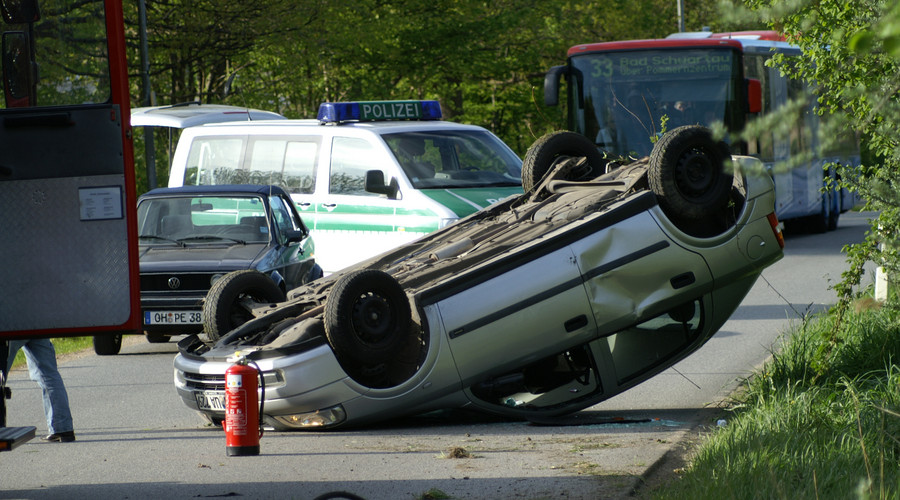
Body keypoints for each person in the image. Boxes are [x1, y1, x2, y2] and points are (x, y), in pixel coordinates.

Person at [6, 338, 75, 442]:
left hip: (9, 325)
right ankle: (62, 429)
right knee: (49, 375)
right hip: (35, 324)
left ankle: (61, 428)